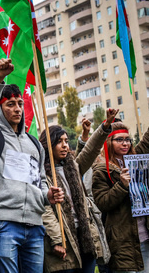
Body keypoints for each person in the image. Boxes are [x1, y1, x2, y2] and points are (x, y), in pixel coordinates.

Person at [0, 58, 64, 272]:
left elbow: (39, 180)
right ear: (0, 107)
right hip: (3, 224)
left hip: (35, 226)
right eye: (10, 104)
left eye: (20, 104)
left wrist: (46, 195)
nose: (17, 109)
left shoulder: (34, 144)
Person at [39, 108, 117, 273]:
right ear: (48, 144)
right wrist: (57, 240)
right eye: (59, 141)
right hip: (63, 241)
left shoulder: (73, 166)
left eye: (66, 141)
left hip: (85, 236)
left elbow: (90, 150)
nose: (65, 146)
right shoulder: (41, 173)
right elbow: (45, 210)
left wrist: (106, 125)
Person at [92, 121, 149, 272]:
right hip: (123, 241)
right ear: (109, 142)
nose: (125, 143)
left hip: (145, 237)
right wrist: (121, 185)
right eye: (119, 139)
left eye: (127, 139)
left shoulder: (136, 160)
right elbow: (102, 202)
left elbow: (148, 140)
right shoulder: (101, 170)